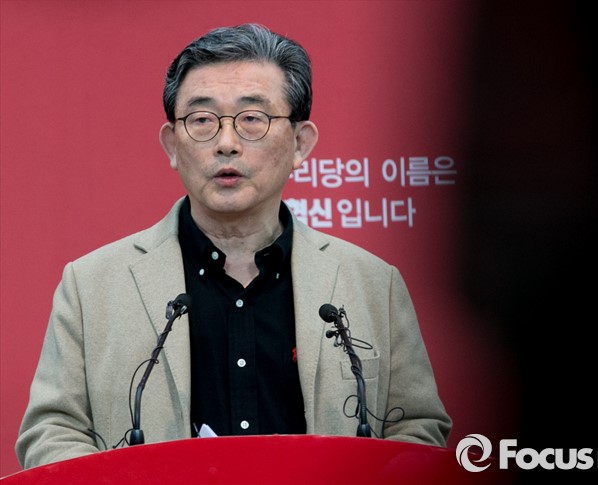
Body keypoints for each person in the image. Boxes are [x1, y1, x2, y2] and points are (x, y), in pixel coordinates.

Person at [16, 23, 452, 469]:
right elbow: (52, 431)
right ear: (172, 145)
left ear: (300, 143)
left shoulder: (373, 284)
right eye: (202, 120)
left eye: (252, 119)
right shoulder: (91, 285)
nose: (226, 144)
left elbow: (417, 427)